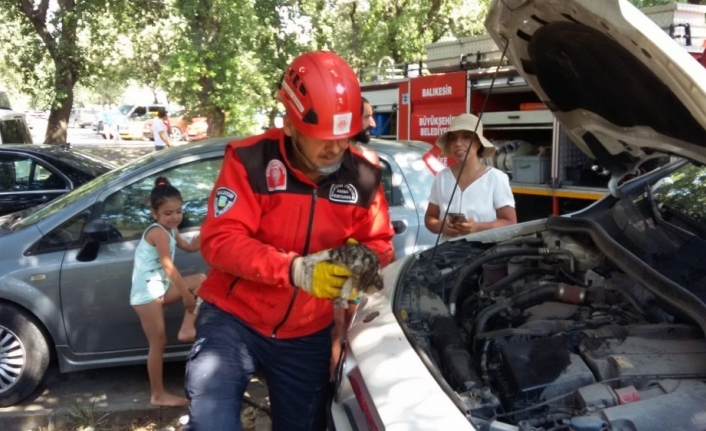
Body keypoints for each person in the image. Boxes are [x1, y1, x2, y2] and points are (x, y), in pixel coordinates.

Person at [184, 50, 395, 431]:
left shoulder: (364, 175)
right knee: (211, 422)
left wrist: (358, 266)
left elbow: (379, 242)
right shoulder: (251, 160)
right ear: (291, 124)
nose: (335, 149)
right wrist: (295, 269)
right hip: (235, 319)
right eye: (323, 139)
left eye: (343, 137)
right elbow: (219, 240)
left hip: (307, 332)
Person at [130, 176, 206, 407]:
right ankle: (157, 395)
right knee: (158, 343)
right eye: (168, 213)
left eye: (178, 212)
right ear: (155, 213)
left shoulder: (170, 230)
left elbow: (192, 246)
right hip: (146, 294)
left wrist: (211, 226)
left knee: (201, 280)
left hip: (159, 287)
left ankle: (186, 328)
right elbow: (168, 266)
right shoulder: (158, 233)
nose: (175, 217)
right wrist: (185, 297)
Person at [425, 113, 517, 241]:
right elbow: (430, 217)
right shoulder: (442, 177)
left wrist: (478, 227)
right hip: (448, 255)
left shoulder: (496, 178)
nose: (458, 143)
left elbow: (510, 222)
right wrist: (441, 226)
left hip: (484, 255)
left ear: (478, 142)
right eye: (453, 138)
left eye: (466, 137)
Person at [349, 97, 380, 165]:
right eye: (366, 117)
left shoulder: (370, 157)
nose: (373, 124)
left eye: (371, 116)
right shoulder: (329, 160)